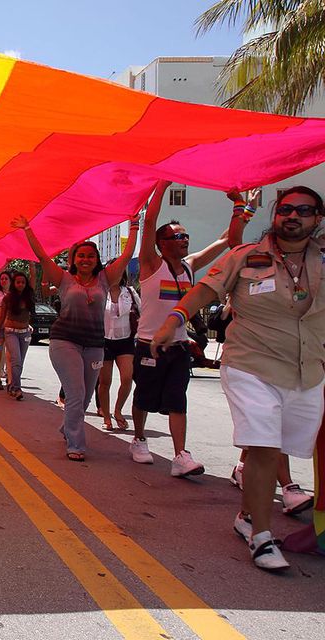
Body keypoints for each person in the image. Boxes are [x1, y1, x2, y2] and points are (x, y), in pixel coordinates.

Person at [151, 185, 325, 571]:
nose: (292, 216)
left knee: (277, 445)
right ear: (275, 214)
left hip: (307, 372)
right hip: (251, 365)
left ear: (317, 219)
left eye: (304, 210)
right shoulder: (244, 256)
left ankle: (247, 515)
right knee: (264, 447)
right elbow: (203, 290)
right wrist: (172, 321)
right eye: (285, 209)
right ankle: (262, 539)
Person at [131, 181, 240, 474]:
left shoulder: (191, 266)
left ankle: (180, 456)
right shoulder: (151, 263)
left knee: (178, 400)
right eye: (177, 236)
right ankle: (139, 438)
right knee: (143, 396)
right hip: (148, 345)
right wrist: (163, 184)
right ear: (161, 242)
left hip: (178, 348)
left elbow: (227, 240)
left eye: (186, 236)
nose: (184, 240)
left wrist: (241, 205)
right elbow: (150, 220)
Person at [12, 210, 138, 461]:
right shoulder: (64, 279)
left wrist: (134, 226)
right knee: (76, 392)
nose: (86, 259)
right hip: (64, 341)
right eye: (81, 255)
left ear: (96, 259)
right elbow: (41, 256)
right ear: (74, 259)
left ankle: (67, 427)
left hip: (93, 344)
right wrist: (27, 229)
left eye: (91, 256)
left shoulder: (105, 278)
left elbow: (126, 256)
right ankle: (76, 444)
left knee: (87, 395)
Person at [97, 273, 139, 430]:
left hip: (125, 340)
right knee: (104, 382)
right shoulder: (101, 292)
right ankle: (106, 417)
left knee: (127, 378)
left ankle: (118, 410)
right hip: (104, 341)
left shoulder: (130, 292)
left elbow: (142, 311)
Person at [0, 270, 35, 399]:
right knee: (16, 361)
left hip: (24, 333)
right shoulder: (8, 298)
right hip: (10, 332)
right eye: (18, 282)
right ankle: (17, 388)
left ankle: (12, 385)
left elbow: (33, 279)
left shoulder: (28, 296)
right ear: (14, 283)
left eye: (23, 282)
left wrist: (32, 264)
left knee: (20, 363)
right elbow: (2, 317)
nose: (21, 285)